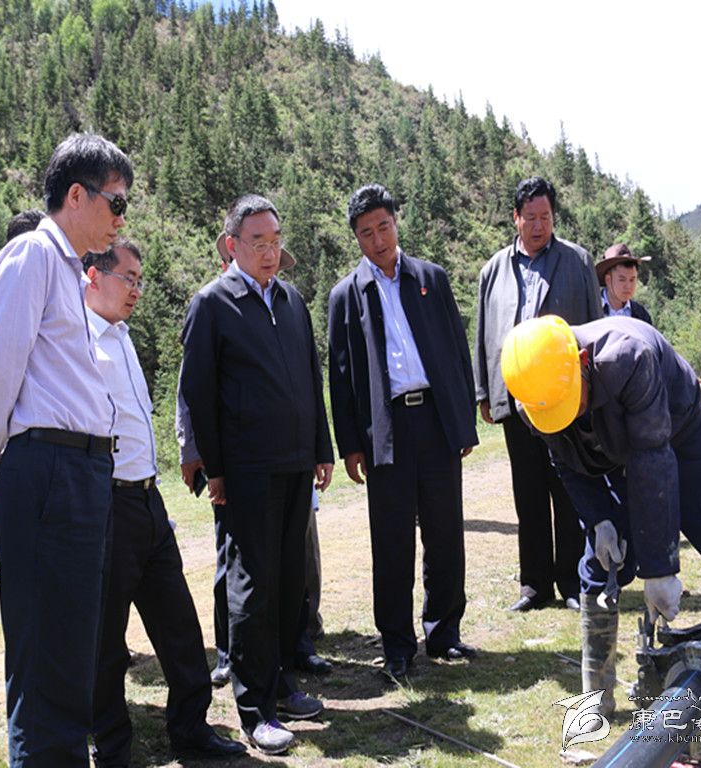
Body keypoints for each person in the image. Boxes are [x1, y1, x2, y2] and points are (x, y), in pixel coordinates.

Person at [501, 315, 701, 717]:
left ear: (584, 361)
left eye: (571, 402)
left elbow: (652, 459)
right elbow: (566, 462)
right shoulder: (535, 395)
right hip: (613, 452)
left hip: (680, 433)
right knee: (601, 565)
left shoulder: (631, 357)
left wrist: (660, 569)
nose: (568, 415)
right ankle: (596, 699)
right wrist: (599, 519)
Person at [0, 132, 131, 767]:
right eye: (117, 202)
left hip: (80, 470)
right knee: (46, 656)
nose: (121, 219)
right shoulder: (32, 254)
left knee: (71, 652)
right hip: (49, 469)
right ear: (77, 195)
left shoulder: (67, 269)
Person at [179, 194, 334, 755]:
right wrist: (215, 469)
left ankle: (282, 683)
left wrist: (321, 448)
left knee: (290, 582)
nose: (270, 253)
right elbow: (198, 393)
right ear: (232, 246)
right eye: (257, 242)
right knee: (252, 587)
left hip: (295, 463)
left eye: (275, 241)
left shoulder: (292, 301)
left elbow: (310, 379)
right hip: (246, 470)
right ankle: (255, 709)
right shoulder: (212, 304)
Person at [82, 240, 245, 765]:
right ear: (93, 277)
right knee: (107, 642)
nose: (136, 290)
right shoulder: (77, 341)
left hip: (149, 502)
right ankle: (112, 747)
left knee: (179, 628)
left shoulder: (122, 337)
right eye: (127, 278)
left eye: (140, 280)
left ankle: (191, 729)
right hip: (107, 507)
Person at [327, 184, 479, 682]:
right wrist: (350, 444)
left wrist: (463, 419)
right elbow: (341, 378)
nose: (378, 240)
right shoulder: (346, 296)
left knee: (445, 531)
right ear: (356, 238)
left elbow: (456, 351)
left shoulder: (430, 279)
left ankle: (444, 631)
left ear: (396, 223)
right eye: (366, 233)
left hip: (435, 419)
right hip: (385, 428)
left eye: (384, 227)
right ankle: (396, 644)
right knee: (391, 541)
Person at [474, 175, 602, 612]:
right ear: (515, 218)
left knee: (567, 487)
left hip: (564, 394)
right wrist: (484, 391)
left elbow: (595, 326)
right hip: (516, 398)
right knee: (527, 493)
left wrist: (593, 386)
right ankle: (534, 586)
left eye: (545, 217)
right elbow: (484, 332)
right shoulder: (494, 270)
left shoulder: (577, 261)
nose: (538, 226)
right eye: (530, 217)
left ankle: (572, 582)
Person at [596, 243, 652, 324]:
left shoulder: (641, 315)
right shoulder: (591, 310)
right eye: (622, 280)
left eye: (632, 280)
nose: (628, 286)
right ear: (608, 280)